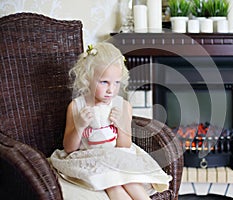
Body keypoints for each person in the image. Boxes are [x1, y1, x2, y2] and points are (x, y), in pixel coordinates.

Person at [50, 42, 172, 200]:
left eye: (116, 83)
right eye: (104, 82)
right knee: (113, 185)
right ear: (88, 79)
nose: (111, 90)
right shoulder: (76, 106)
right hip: (91, 157)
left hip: (117, 155)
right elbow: (69, 148)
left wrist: (121, 125)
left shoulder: (122, 106)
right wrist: (79, 126)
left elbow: (125, 145)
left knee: (131, 181)